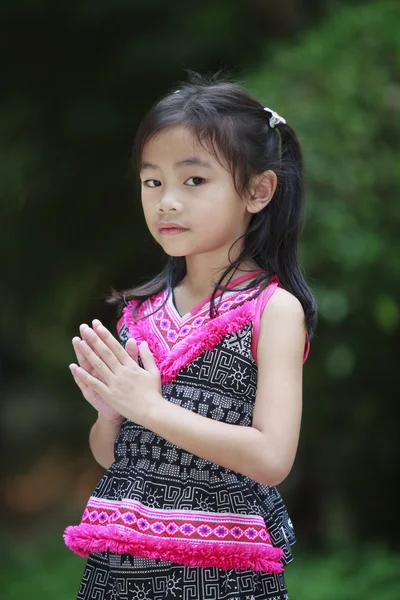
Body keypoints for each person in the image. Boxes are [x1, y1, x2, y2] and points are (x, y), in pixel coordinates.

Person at [64, 72, 318, 600]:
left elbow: (272, 457)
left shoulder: (273, 310)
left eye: (194, 181)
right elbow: (117, 460)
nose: (167, 202)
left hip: (223, 570)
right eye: (152, 181)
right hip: (121, 569)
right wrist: (112, 415)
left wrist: (150, 408)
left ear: (257, 190)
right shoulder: (139, 312)